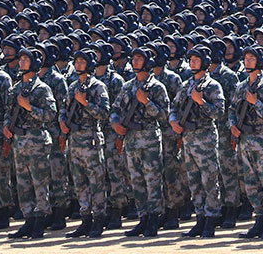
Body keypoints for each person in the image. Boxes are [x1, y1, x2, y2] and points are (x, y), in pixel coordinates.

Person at [112, 47, 170, 238]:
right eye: (134, 58)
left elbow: (164, 115)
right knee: (135, 181)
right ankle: (142, 218)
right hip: (131, 139)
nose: (135, 61)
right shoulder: (127, 86)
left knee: (152, 180)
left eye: (139, 58)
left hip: (149, 138)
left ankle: (154, 219)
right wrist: (115, 123)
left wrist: (146, 102)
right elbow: (116, 109)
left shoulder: (157, 87)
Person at [170, 46, 225, 239]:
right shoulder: (186, 85)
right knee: (193, 181)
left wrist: (201, 102)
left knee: (209, 181)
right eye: (191, 60)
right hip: (188, 138)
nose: (192, 63)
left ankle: (211, 218)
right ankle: (200, 217)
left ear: (205, 63)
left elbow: (219, 112)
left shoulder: (212, 86)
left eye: (196, 59)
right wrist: (173, 121)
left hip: (205, 138)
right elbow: (174, 107)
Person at [230, 46, 263, 240]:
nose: (248, 61)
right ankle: (259, 219)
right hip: (246, 140)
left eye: (252, 58)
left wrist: (256, 103)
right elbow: (232, 109)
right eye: (246, 58)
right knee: (251, 184)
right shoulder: (241, 86)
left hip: (262, 140)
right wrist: (233, 125)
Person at [4, 47, 56, 241]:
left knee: (39, 183)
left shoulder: (42, 88)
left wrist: (29, 107)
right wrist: (6, 126)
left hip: (36, 141)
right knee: (23, 184)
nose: (22, 62)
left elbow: (50, 115)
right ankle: (28, 219)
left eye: (26, 59)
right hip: (19, 141)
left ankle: (40, 220)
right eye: (21, 59)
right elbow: (8, 112)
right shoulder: (16, 88)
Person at [60, 48, 110, 239]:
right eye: (77, 61)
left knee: (96, 181)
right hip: (74, 139)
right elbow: (64, 108)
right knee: (79, 181)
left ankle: (99, 219)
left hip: (91, 139)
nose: (78, 64)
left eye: (82, 61)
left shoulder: (98, 86)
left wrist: (86, 103)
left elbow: (104, 113)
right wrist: (62, 121)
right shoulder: (73, 86)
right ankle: (85, 219)